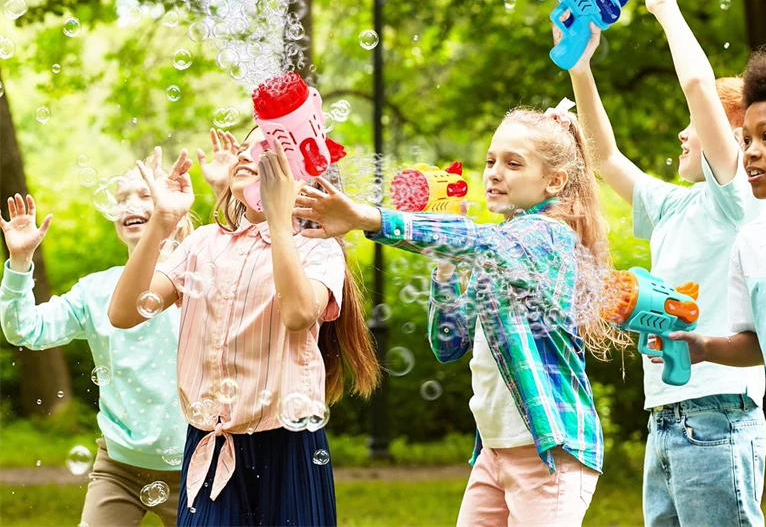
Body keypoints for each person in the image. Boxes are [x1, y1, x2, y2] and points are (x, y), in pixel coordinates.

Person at [295, 101, 620, 527]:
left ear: (553, 181)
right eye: (490, 161)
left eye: (513, 163)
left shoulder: (548, 238)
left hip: (548, 454)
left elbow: (480, 242)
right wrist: (445, 266)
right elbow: (449, 343)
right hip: (494, 452)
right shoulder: (501, 245)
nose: (494, 172)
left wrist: (365, 217)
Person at [565, 0, 766, 526]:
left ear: (731, 138)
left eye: (696, 123)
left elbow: (699, 83)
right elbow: (604, 157)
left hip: (717, 416)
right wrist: (582, 69)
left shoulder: (739, 202)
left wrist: (666, 11)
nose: (684, 131)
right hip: (665, 415)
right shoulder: (675, 204)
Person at [107, 129, 380, 527]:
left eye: (270, 150)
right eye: (248, 147)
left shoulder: (317, 249)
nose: (250, 155)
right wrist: (162, 221)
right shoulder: (202, 244)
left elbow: (299, 314)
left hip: (288, 445)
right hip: (209, 441)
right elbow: (124, 313)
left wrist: (280, 220)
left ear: (301, 183)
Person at [0, 132, 237, 527]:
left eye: (146, 195)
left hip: (197, 460)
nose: (132, 204)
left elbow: (239, 255)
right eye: (123, 197)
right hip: (118, 466)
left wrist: (225, 191)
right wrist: (20, 264)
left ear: (173, 204)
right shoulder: (96, 290)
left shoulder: (203, 273)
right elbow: (25, 329)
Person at [669, 48, 766, 527]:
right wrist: (702, 346)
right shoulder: (750, 244)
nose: (751, 151)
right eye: (746, 139)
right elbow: (757, 343)